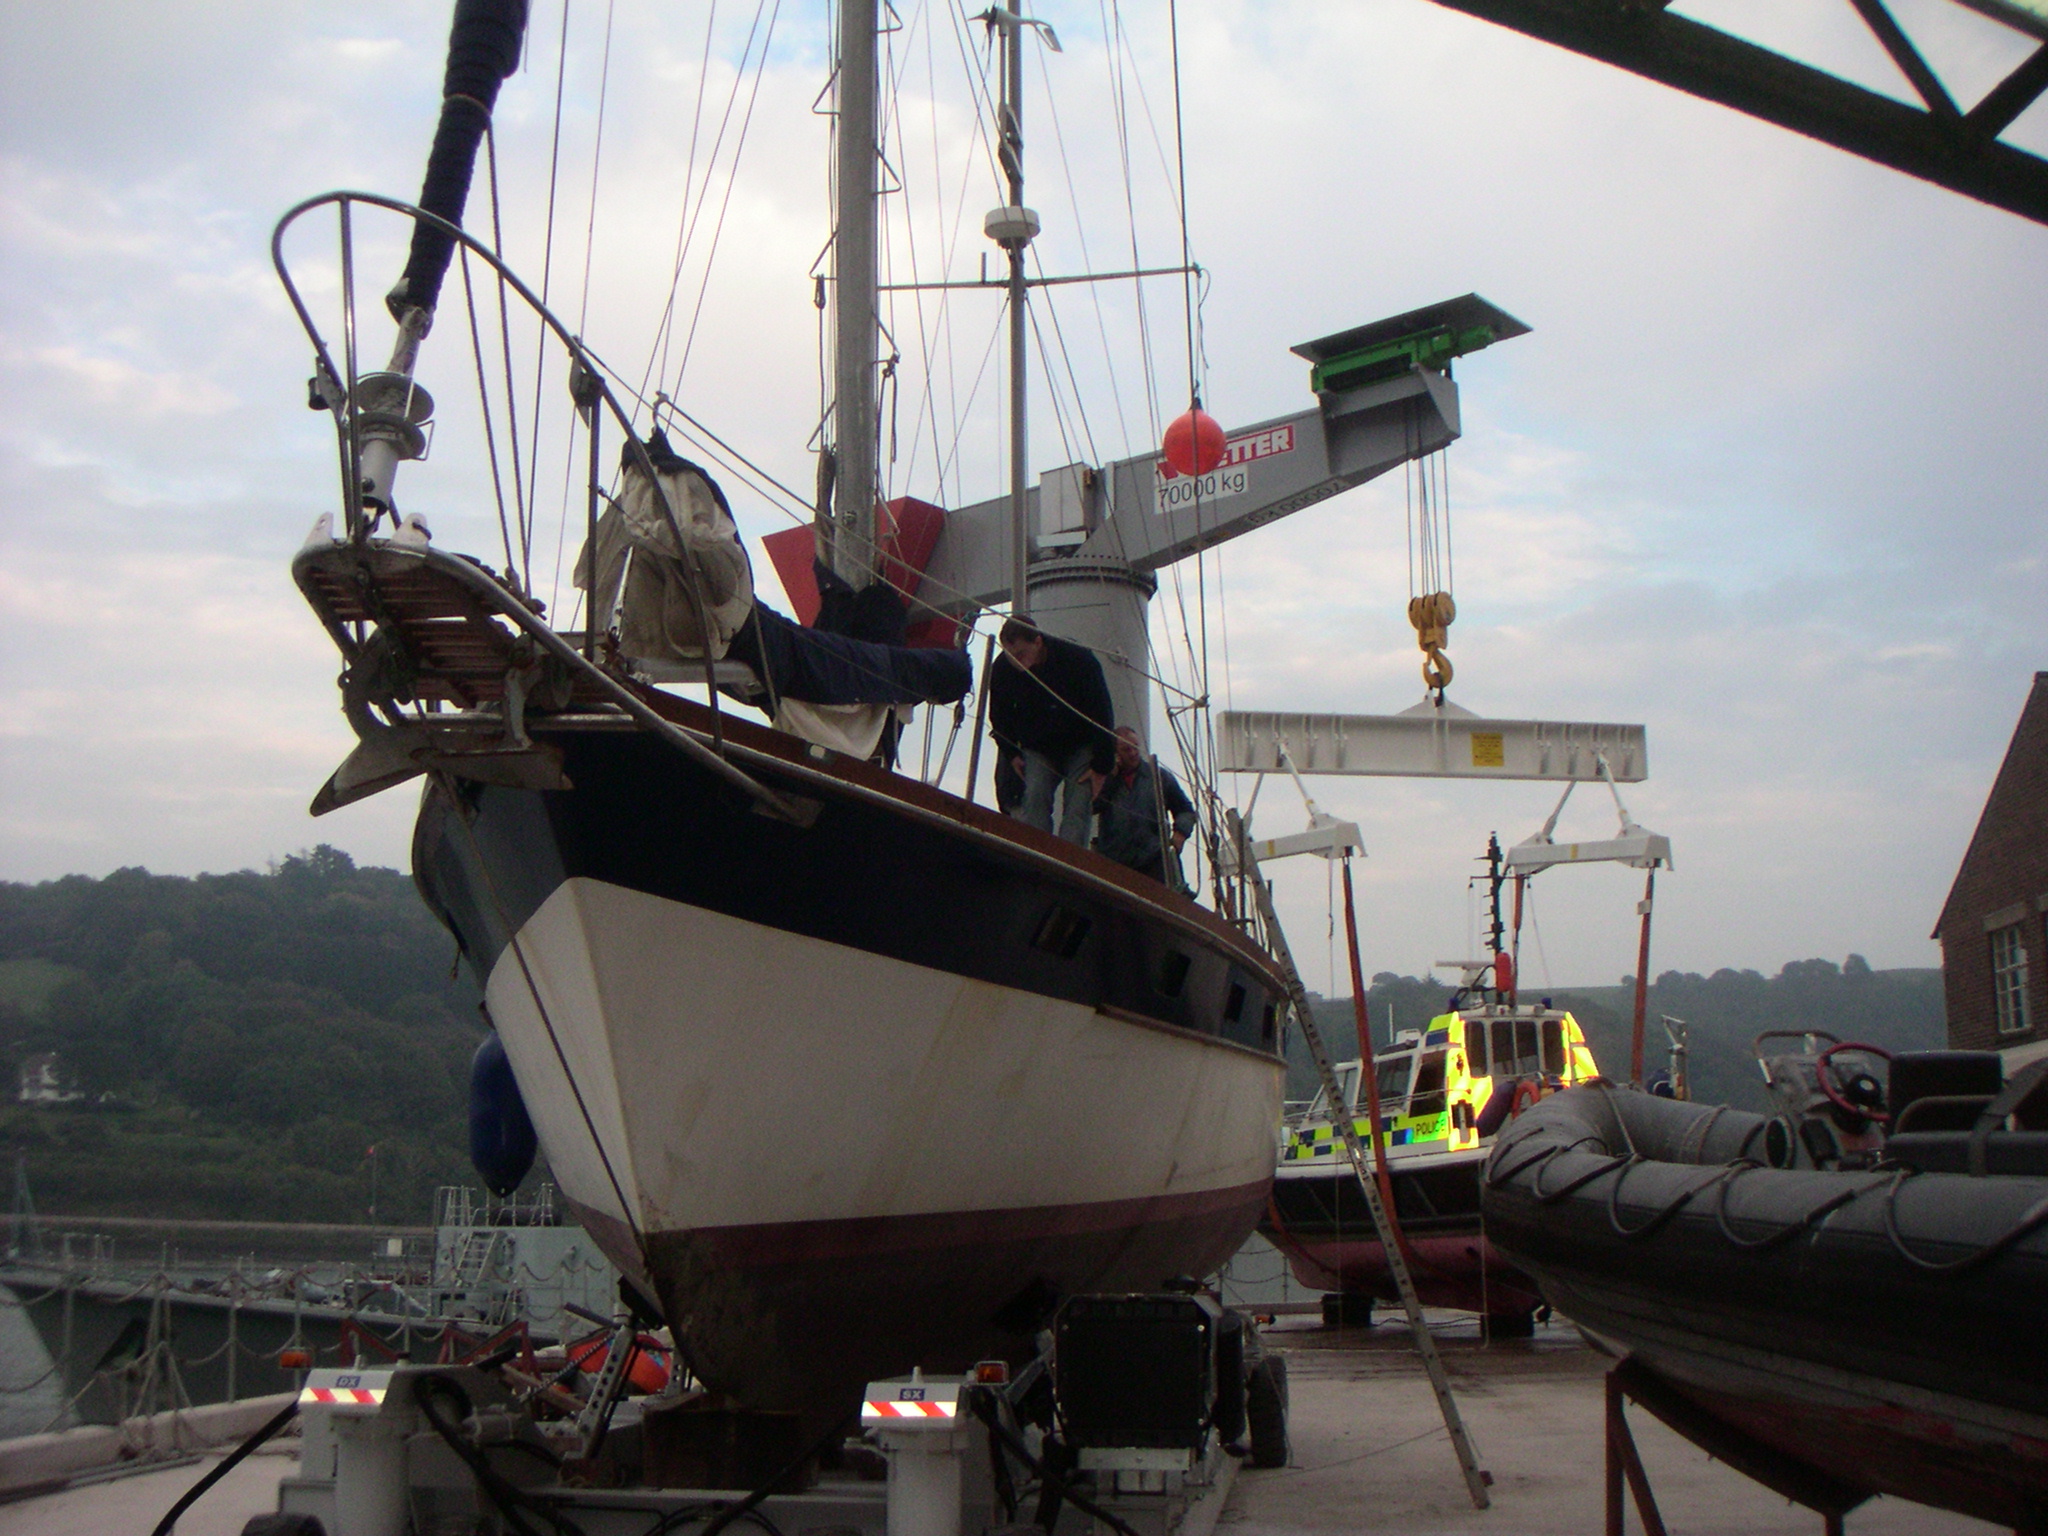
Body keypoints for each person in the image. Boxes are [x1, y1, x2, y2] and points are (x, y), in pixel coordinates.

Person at [987, 617, 1116, 845]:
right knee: (1035, 796)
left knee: (1078, 805)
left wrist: (1101, 767)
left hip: (1081, 745)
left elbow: (1102, 713)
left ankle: (1070, 861)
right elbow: (999, 715)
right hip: (1039, 747)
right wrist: (1011, 753)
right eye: (1011, 655)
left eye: (1021, 654)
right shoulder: (1003, 669)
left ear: (1038, 641)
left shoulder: (1078, 659)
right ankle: (1037, 853)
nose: (1018, 663)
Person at [1092, 727, 1196, 889]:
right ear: (1116, 753)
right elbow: (1093, 806)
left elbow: (1185, 809)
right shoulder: (1107, 780)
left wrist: (1180, 832)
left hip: (1153, 858)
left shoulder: (1159, 776)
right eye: (1126, 749)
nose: (1133, 753)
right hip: (1114, 860)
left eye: (1135, 747)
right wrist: (1110, 777)